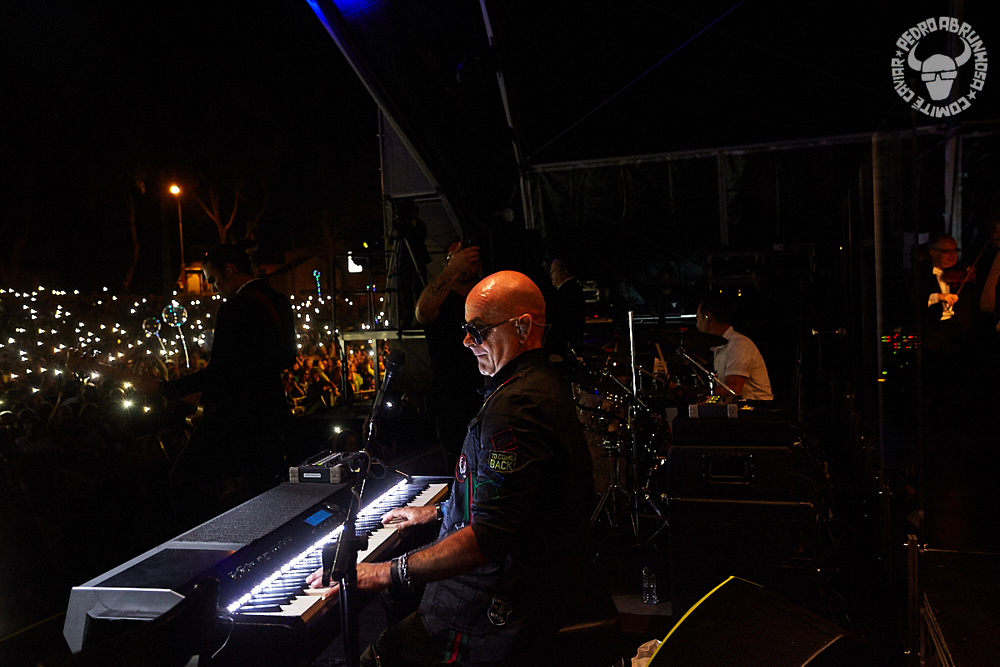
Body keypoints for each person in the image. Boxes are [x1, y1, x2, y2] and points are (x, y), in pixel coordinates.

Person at [309, 271, 596, 666]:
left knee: (377, 652)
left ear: (523, 326)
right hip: (528, 579)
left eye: (477, 330)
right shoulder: (537, 383)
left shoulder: (517, 406)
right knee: (401, 593)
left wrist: (380, 572)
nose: (466, 341)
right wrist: (438, 511)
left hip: (499, 606)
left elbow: (488, 538)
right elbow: (522, 501)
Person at [134, 240, 297, 531]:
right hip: (271, 410)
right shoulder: (279, 300)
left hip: (234, 415)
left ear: (230, 269)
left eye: (212, 280)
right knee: (265, 487)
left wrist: (164, 389)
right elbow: (288, 358)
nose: (212, 287)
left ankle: (196, 552)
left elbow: (218, 371)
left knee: (183, 478)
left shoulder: (234, 308)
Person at [415, 240, 484, 469]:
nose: (465, 265)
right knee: (457, 468)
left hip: (484, 395)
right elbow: (422, 312)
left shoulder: (484, 299)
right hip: (449, 400)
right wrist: (452, 269)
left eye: (469, 260)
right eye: (458, 258)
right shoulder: (441, 301)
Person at [696, 294, 773, 400]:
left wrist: (695, 392)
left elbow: (732, 390)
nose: (697, 325)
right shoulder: (722, 347)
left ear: (707, 316)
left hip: (757, 409)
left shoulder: (738, 344)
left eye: (697, 318)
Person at [545, 257, 586, 354]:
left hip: (563, 349)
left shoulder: (567, 293)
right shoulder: (572, 290)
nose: (550, 274)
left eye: (553, 271)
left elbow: (560, 324)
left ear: (564, 272)